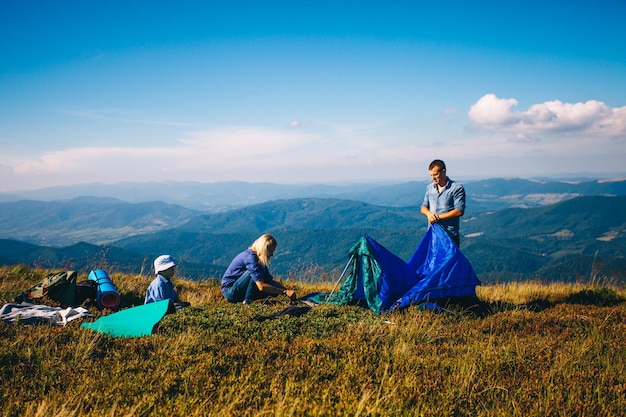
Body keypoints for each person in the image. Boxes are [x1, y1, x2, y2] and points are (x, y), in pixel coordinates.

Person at [221, 234, 297, 304]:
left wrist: (286, 290)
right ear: (264, 249)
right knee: (254, 274)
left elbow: (268, 280)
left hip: (240, 288)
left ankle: (247, 299)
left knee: (273, 290)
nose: (272, 254)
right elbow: (261, 286)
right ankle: (247, 301)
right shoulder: (251, 258)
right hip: (230, 292)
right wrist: (284, 291)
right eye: (270, 251)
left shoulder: (259, 260)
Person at [420, 159, 466, 246]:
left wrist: (437, 218)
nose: (433, 178)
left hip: (449, 235)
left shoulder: (456, 188)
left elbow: (459, 211)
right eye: (431, 175)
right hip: (433, 233)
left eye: (435, 174)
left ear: (443, 172)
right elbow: (423, 207)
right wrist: (429, 214)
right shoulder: (430, 188)